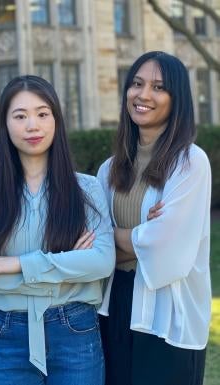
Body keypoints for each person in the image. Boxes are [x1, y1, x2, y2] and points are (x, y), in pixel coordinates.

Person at [0, 75, 115, 385]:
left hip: (75, 331)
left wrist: (16, 264)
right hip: (9, 333)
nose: (32, 125)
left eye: (42, 113)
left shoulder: (86, 189)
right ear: (5, 125)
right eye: (20, 116)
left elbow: (101, 262)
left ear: (56, 120)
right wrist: (70, 265)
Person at [97, 51, 211, 385]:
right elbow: (89, 244)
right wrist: (140, 233)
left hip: (167, 314)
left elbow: (165, 248)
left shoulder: (190, 163)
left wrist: (115, 237)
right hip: (115, 304)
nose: (143, 94)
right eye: (137, 83)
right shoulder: (110, 169)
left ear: (177, 100)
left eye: (159, 87)